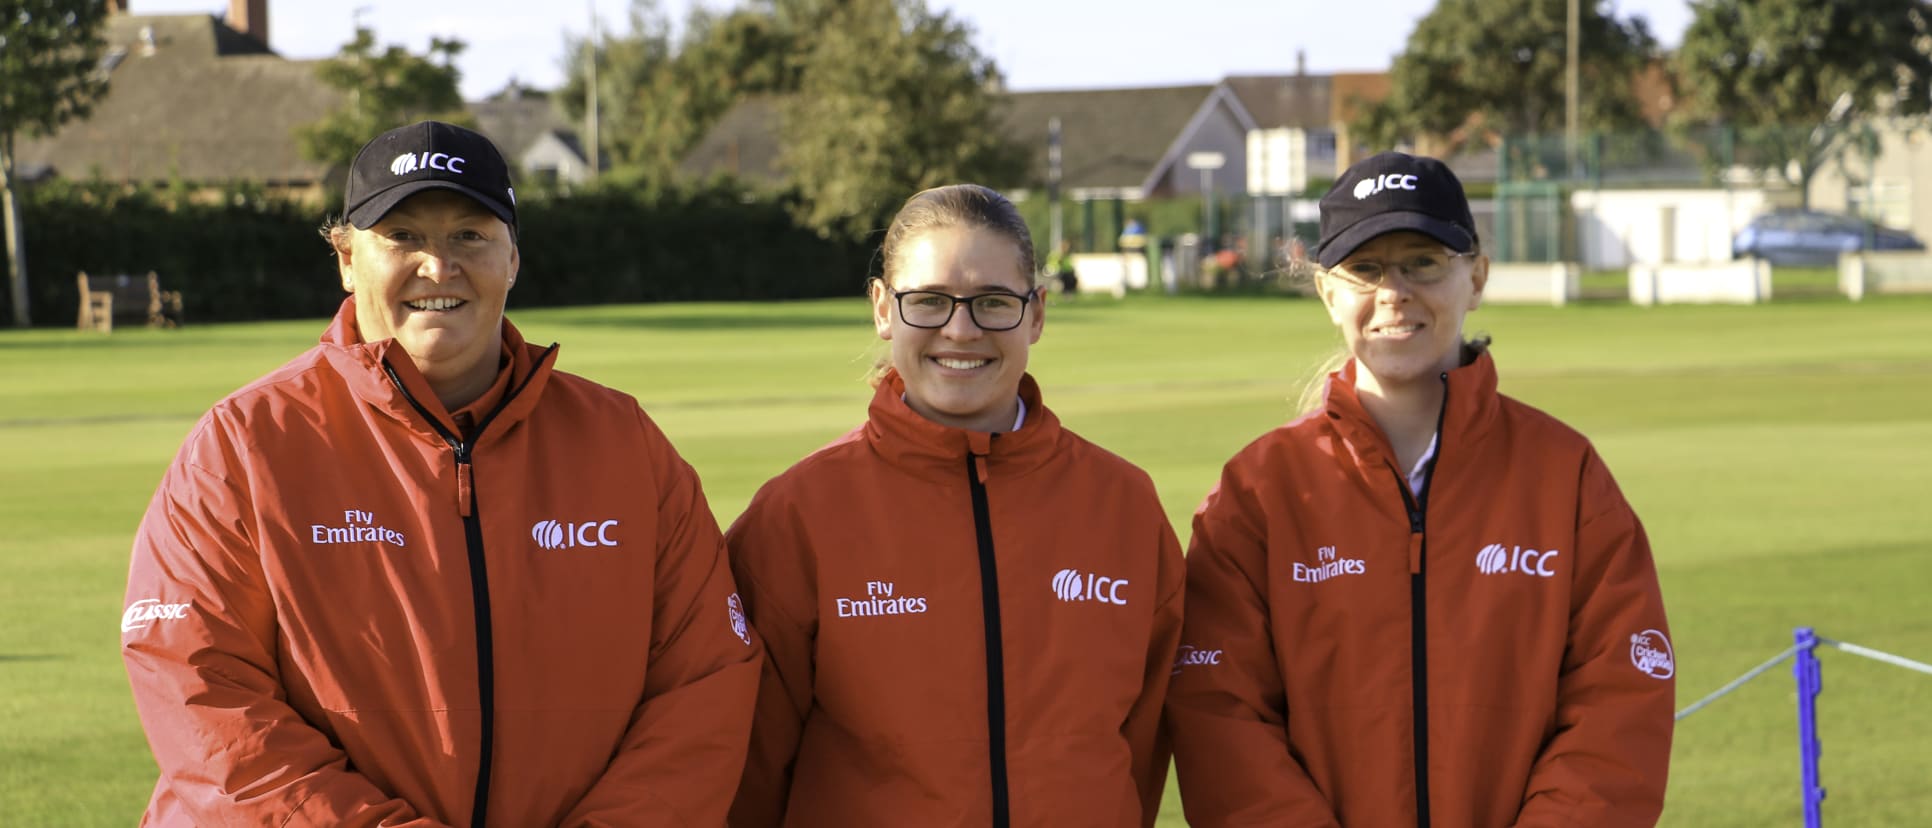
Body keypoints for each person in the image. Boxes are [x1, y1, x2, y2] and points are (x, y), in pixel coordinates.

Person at [120, 121, 761, 826]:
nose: (437, 265)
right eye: (402, 236)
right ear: (345, 258)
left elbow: (706, 682)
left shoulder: (624, 444)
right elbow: (201, 693)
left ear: (512, 257)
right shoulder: (241, 446)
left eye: (469, 235)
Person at [1165, 152, 1674, 826]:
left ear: (1477, 276)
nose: (1393, 293)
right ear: (1327, 293)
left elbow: (1619, 705)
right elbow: (1219, 719)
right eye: (1366, 270)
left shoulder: (1566, 475)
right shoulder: (1257, 494)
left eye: (1422, 263)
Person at [725, 184, 1184, 827]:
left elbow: (1141, 747)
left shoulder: (1124, 505)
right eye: (930, 301)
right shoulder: (796, 515)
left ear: (1038, 314)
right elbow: (750, 772)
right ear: (884, 309)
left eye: (994, 302)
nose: (960, 329)